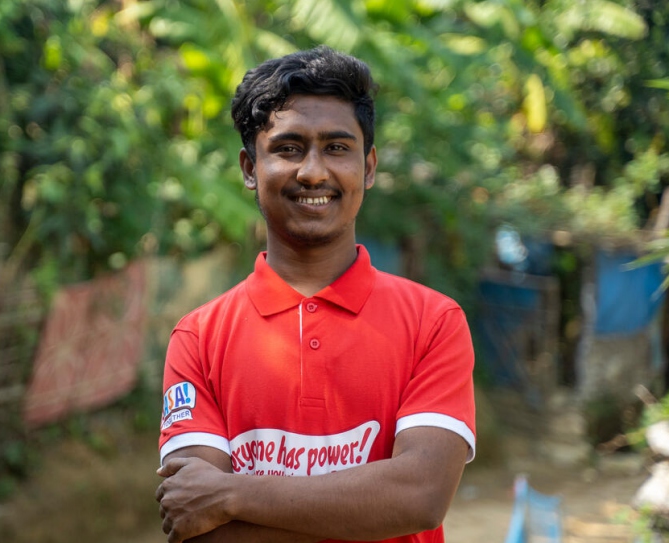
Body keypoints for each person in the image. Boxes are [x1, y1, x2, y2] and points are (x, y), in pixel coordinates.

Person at [155, 45, 476, 543]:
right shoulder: (198, 338)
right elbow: (197, 525)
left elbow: (420, 497)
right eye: (287, 148)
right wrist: (367, 505)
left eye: (337, 147)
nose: (312, 171)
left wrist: (231, 496)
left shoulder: (433, 321)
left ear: (368, 167)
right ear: (248, 168)